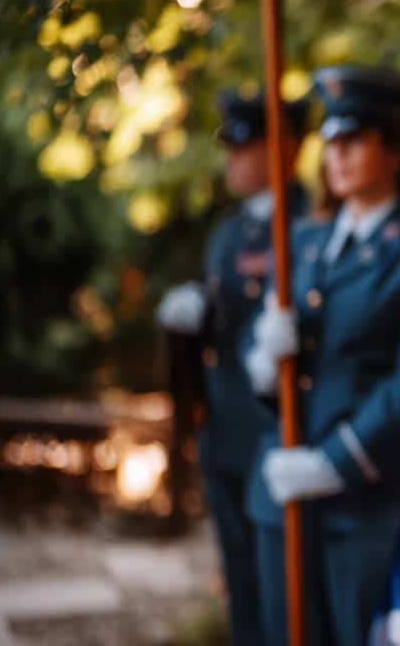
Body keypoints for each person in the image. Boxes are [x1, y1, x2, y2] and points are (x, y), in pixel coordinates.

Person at [242, 64, 400, 646]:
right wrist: (265, 361)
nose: (336, 154)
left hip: (366, 504)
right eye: (331, 141)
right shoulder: (302, 241)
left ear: (396, 149)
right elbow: (278, 375)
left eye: (355, 139)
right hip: (282, 493)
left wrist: (331, 465)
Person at [155, 89, 309, 646]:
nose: (233, 160)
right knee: (240, 582)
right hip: (223, 424)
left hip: (273, 428)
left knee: (283, 596)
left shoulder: (307, 222)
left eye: (246, 147)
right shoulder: (231, 230)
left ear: (284, 149)